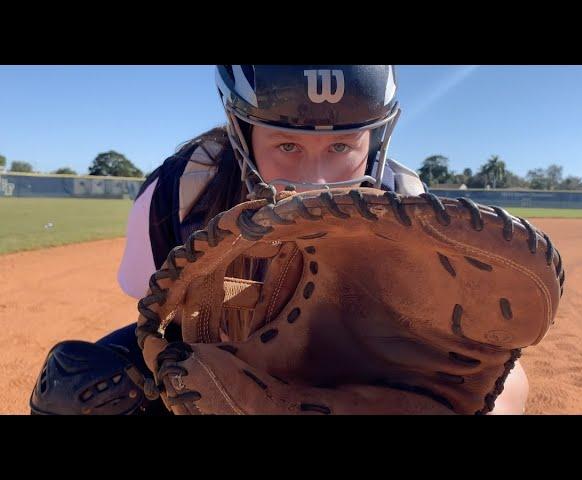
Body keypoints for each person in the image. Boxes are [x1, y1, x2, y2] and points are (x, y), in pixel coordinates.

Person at [30, 65, 529, 415]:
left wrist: (485, 407)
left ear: (375, 139)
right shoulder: (179, 196)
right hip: (213, 352)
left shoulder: (410, 211)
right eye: (287, 145)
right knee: (78, 390)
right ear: (242, 133)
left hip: (360, 370)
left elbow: (497, 368)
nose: (317, 178)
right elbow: (158, 325)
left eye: (342, 145)